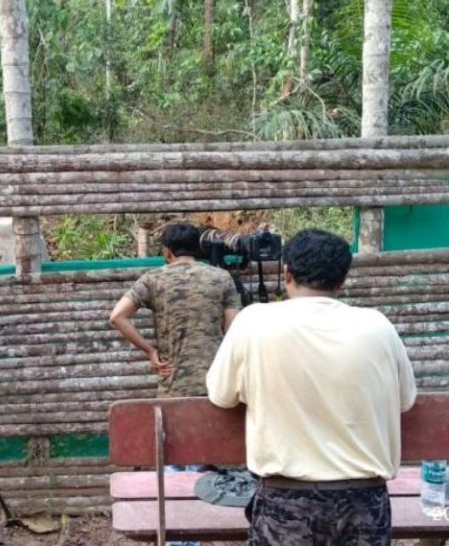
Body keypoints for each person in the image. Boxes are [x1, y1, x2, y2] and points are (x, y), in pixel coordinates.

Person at [206, 228, 417, 545]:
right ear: (342, 280)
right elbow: (405, 401)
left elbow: (221, 396)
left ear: (287, 272)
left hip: (285, 499)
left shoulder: (253, 321)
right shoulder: (379, 326)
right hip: (364, 502)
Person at [110, 222, 240, 398]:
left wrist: (150, 351)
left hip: (173, 385)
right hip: (217, 384)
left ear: (166, 251)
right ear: (197, 248)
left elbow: (117, 316)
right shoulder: (222, 278)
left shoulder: (153, 279)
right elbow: (233, 332)